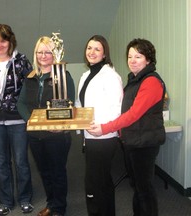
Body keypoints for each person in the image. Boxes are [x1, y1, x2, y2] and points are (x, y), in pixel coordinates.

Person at [90, 38, 166, 216]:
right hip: (133, 141)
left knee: (144, 189)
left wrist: (105, 128)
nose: (132, 60)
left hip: (144, 144)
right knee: (138, 187)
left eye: (138, 56)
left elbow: (133, 114)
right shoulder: (135, 79)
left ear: (148, 60)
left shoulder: (151, 81)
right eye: (130, 56)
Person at [17, 36, 75, 216]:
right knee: (45, 172)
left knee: (57, 173)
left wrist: (61, 126)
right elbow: (21, 103)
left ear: (54, 54)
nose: (43, 55)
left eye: (48, 52)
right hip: (36, 135)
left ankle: (59, 208)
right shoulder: (31, 76)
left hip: (57, 135)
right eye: (40, 52)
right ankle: (51, 204)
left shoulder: (63, 76)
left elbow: (70, 104)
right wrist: (31, 121)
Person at [0, 24, 33, 216]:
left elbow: (30, 89)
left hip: (17, 120)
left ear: (10, 41)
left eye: (3, 40)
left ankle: (25, 199)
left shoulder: (21, 61)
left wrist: (29, 116)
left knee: (20, 162)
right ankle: (5, 201)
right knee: (1, 162)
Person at [75, 35, 123, 216]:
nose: (92, 52)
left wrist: (102, 127)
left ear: (104, 54)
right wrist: (77, 123)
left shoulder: (111, 76)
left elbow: (118, 108)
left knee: (93, 183)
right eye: (89, 48)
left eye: (97, 49)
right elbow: (81, 104)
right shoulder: (85, 75)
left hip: (104, 137)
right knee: (103, 181)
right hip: (90, 136)